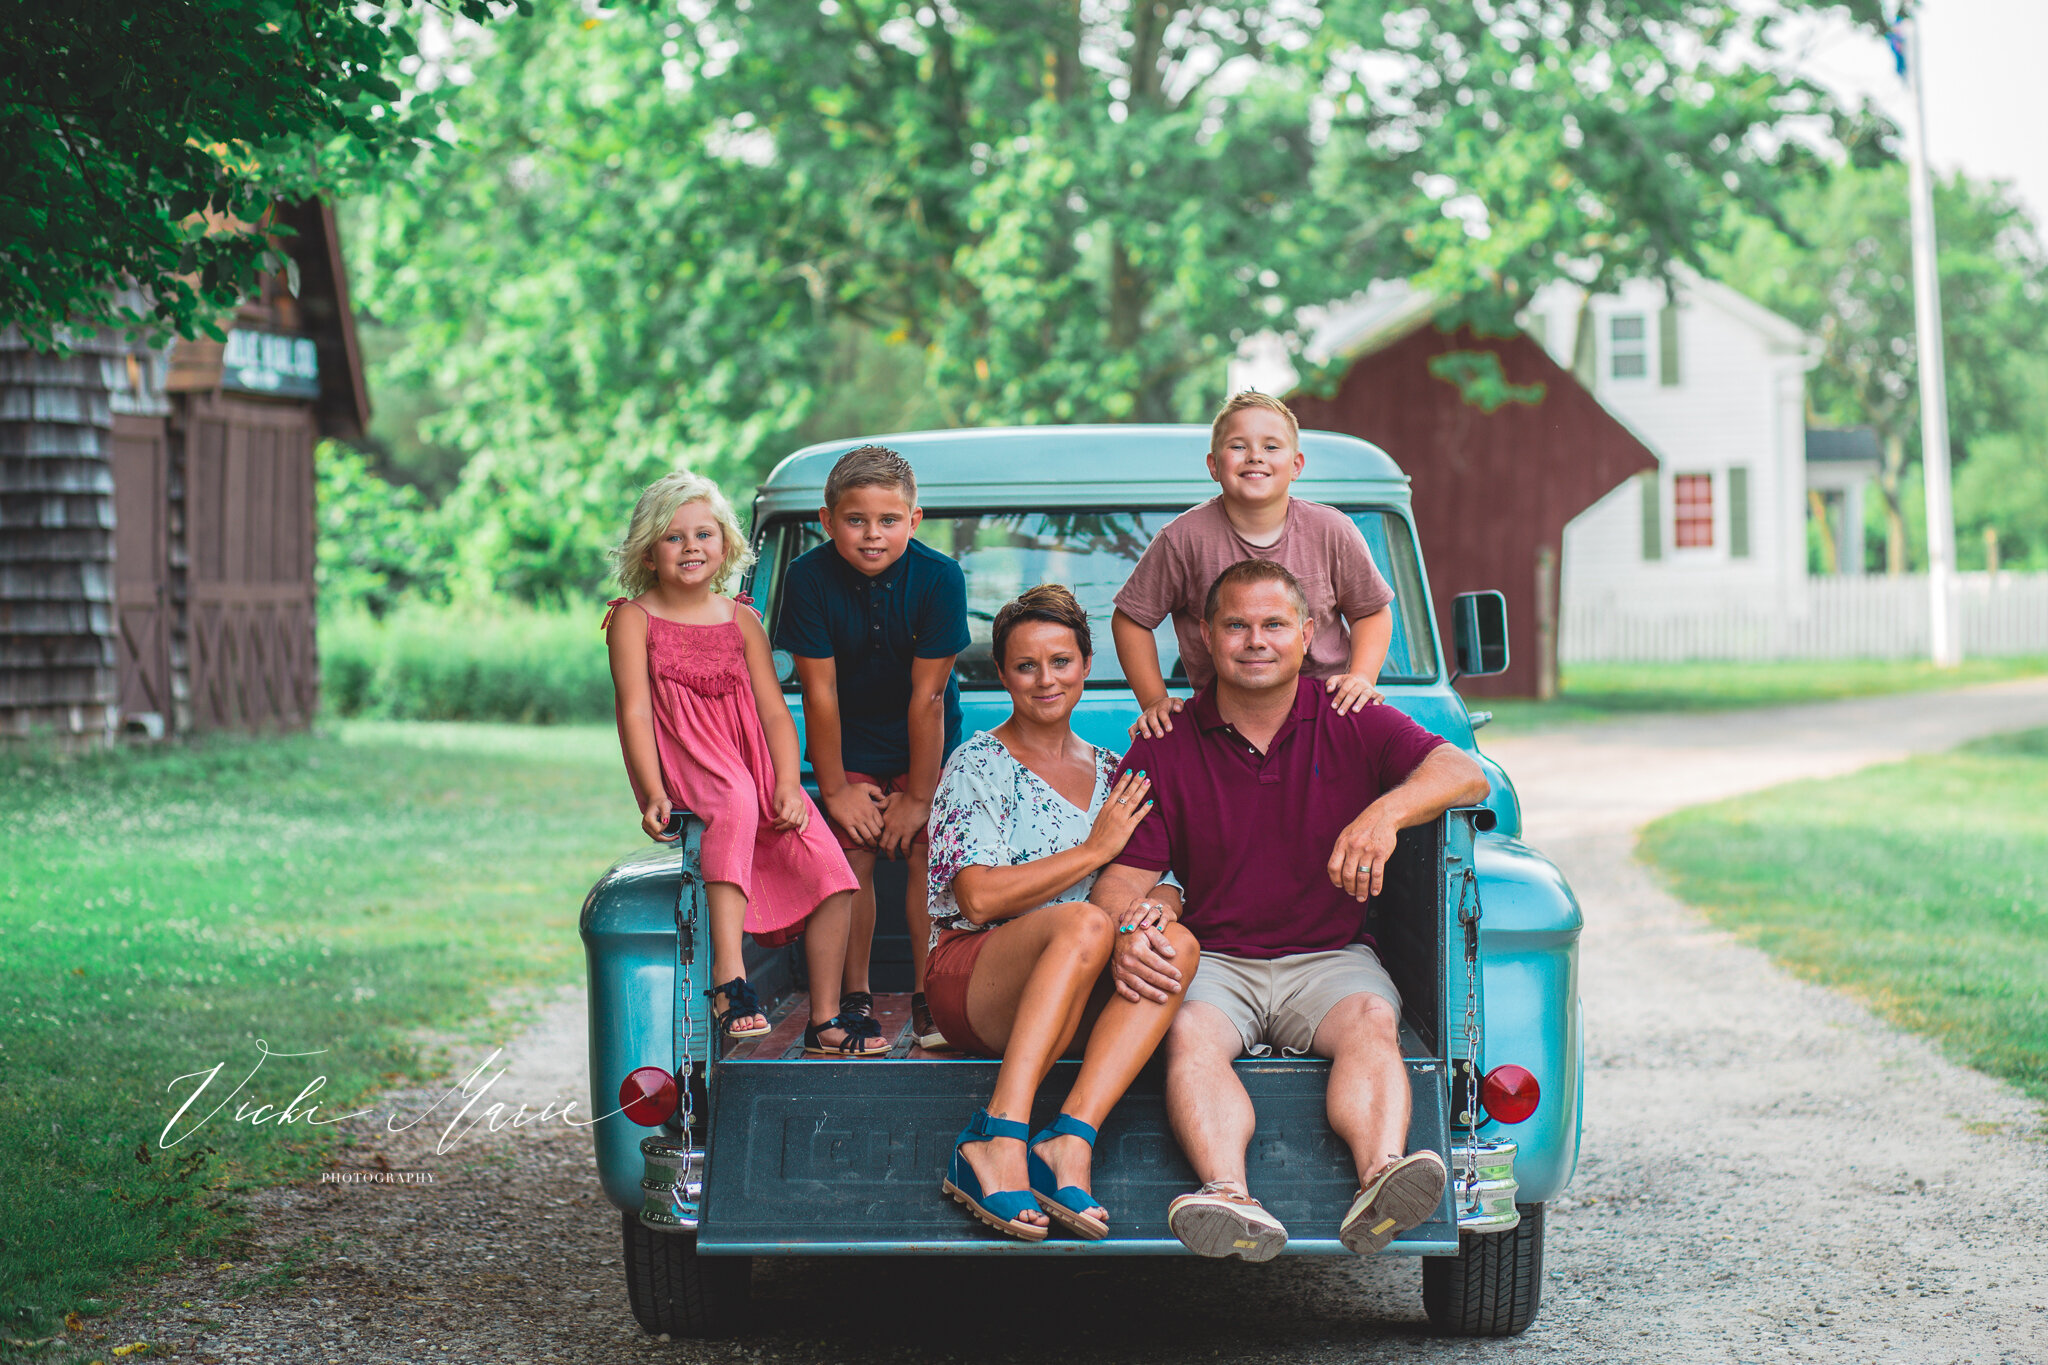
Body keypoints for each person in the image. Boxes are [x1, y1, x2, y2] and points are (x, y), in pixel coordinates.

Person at [1091, 559, 1491, 1260]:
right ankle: (1228, 1197)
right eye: (1236, 625)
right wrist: (1133, 928)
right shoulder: (1164, 742)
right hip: (1214, 957)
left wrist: (1384, 815)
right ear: (1206, 638)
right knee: (1186, 1030)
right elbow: (1118, 885)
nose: (1256, 640)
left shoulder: (1351, 714)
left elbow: (1464, 771)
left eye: (1274, 623)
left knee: (1374, 1019)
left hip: (1330, 959)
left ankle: (1382, 1180)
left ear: (1306, 635)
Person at [924, 585, 1199, 1241]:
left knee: (1177, 943)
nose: (1046, 679)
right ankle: (996, 1137)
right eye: (1026, 665)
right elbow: (978, 898)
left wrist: (1154, 912)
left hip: (1075, 985)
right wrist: (1094, 849)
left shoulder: (1114, 770)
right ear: (1003, 673)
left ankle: (1070, 1138)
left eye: (1061, 661)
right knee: (1087, 921)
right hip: (975, 979)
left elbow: (1166, 881)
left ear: (1085, 663)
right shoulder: (978, 764)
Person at [605, 470, 886, 1058]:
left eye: (703, 534)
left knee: (833, 871)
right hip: (689, 755)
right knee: (731, 798)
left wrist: (788, 784)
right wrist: (650, 791)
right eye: (673, 537)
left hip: (753, 763)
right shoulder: (634, 619)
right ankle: (730, 985)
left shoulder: (741, 620)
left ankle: (826, 1018)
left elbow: (777, 717)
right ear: (649, 551)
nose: (691, 548)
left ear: (726, 544)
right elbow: (634, 714)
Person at [775, 445, 970, 1049]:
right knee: (851, 857)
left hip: (928, 739)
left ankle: (930, 996)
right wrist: (833, 789)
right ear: (826, 520)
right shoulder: (809, 578)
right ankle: (853, 1000)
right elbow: (820, 691)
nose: (871, 535)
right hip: (849, 739)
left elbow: (928, 699)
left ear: (914, 521)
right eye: (855, 520)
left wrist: (919, 793)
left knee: (924, 854)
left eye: (889, 521)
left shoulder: (940, 577)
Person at [1110, 390, 1397, 741]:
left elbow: (1371, 611)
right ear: (1214, 465)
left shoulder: (1332, 531)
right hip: (1226, 723)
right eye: (1238, 446)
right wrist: (1154, 700)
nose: (1255, 457)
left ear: (1296, 466)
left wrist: (1362, 677)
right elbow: (1131, 619)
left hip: (1327, 716)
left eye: (1272, 447)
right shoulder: (1183, 539)